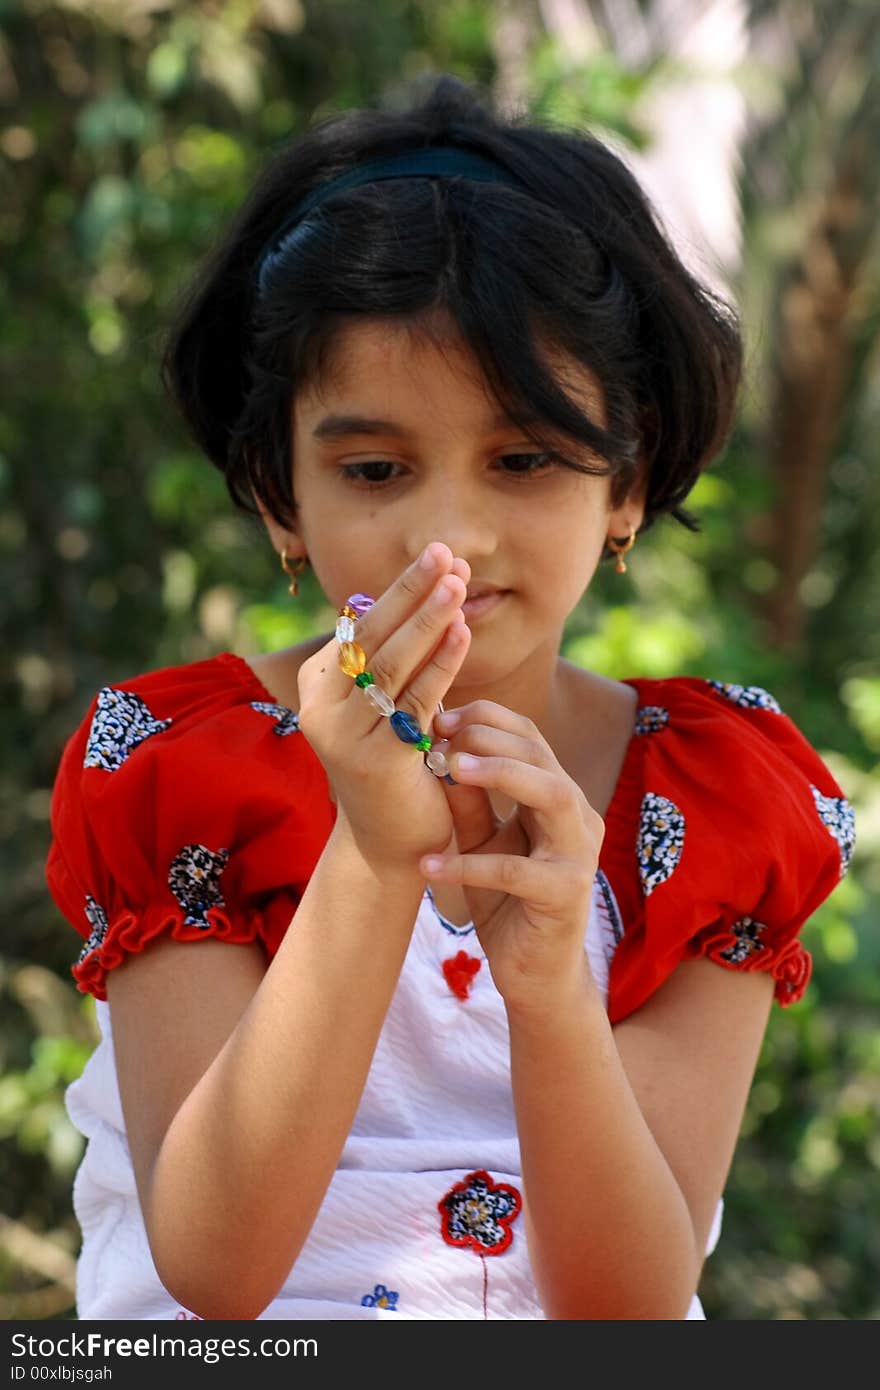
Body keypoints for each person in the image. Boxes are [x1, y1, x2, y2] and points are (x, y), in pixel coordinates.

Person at [45, 74, 856, 1322]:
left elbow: (630, 1306)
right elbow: (211, 1266)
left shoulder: (711, 798)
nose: (451, 538)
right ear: (278, 497)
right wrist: (374, 854)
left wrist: (547, 991)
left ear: (626, 488)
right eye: (375, 467)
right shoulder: (179, 768)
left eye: (524, 458)